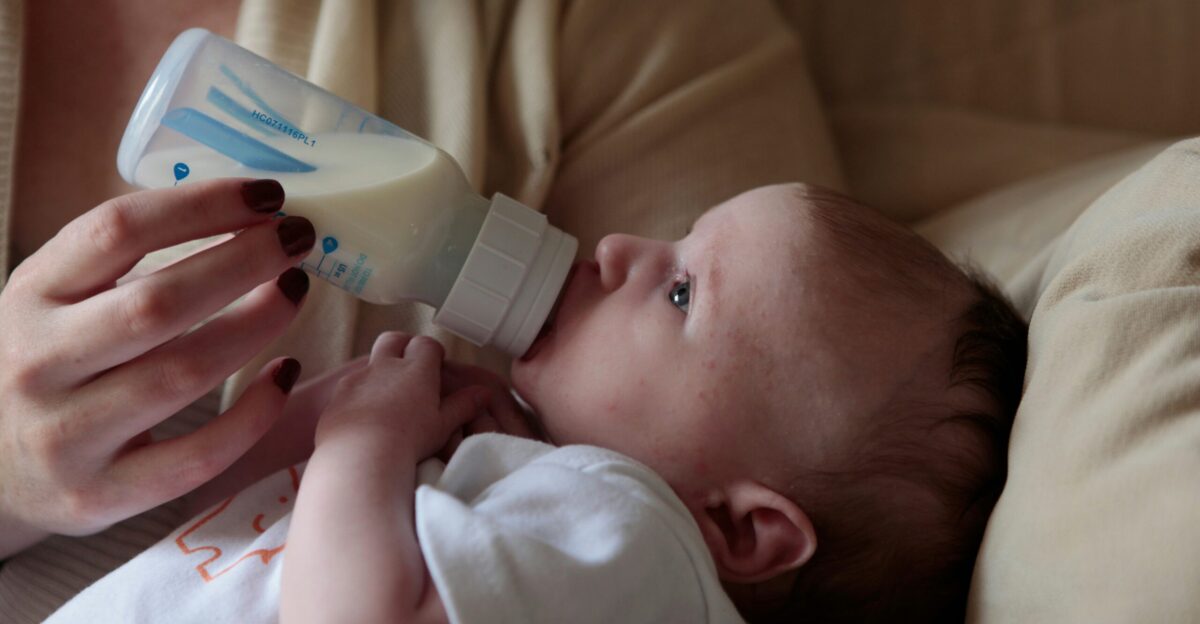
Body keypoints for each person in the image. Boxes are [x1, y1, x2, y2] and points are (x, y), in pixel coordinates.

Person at [41, 183, 1029, 623]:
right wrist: (339, 422)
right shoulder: (547, 509)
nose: (620, 251)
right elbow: (242, 535)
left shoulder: (636, 548)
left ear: (738, 525)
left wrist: (364, 441)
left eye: (682, 291)